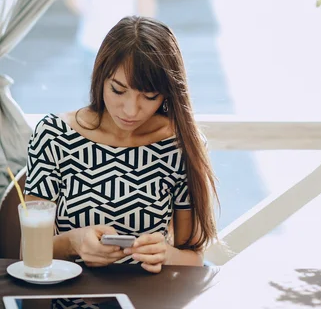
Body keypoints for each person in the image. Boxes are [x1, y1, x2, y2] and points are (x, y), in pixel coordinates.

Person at [24, 16, 218, 271]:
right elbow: (28, 251)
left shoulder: (179, 145)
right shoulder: (53, 136)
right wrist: (74, 243)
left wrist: (166, 255)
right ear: (100, 77)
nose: (130, 110)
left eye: (149, 96)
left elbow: (193, 258)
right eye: (118, 90)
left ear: (167, 93)